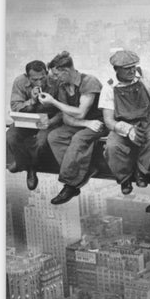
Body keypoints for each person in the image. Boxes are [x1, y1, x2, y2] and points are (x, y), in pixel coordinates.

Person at [100, 49, 150, 198]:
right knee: (112, 146)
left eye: (133, 66)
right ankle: (124, 178)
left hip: (148, 120)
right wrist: (128, 130)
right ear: (116, 69)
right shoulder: (109, 87)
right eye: (126, 68)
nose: (132, 71)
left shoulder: (145, 75)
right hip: (123, 124)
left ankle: (142, 172)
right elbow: (108, 120)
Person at [37, 51, 104, 205]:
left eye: (56, 74)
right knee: (54, 136)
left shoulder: (89, 82)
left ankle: (70, 185)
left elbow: (80, 113)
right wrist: (85, 124)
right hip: (84, 123)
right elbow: (66, 116)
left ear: (66, 71)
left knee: (79, 139)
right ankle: (85, 171)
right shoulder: (63, 86)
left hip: (99, 123)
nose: (54, 78)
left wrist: (53, 101)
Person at [7, 59, 54, 190]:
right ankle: (23, 163)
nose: (39, 82)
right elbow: (16, 107)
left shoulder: (55, 80)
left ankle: (31, 169)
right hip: (26, 118)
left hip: (48, 121)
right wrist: (32, 101)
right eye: (34, 80)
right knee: (11, 137)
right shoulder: (20, 81)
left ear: (46, 73)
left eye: (42, 78)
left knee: (40, 142)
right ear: (27, 77)